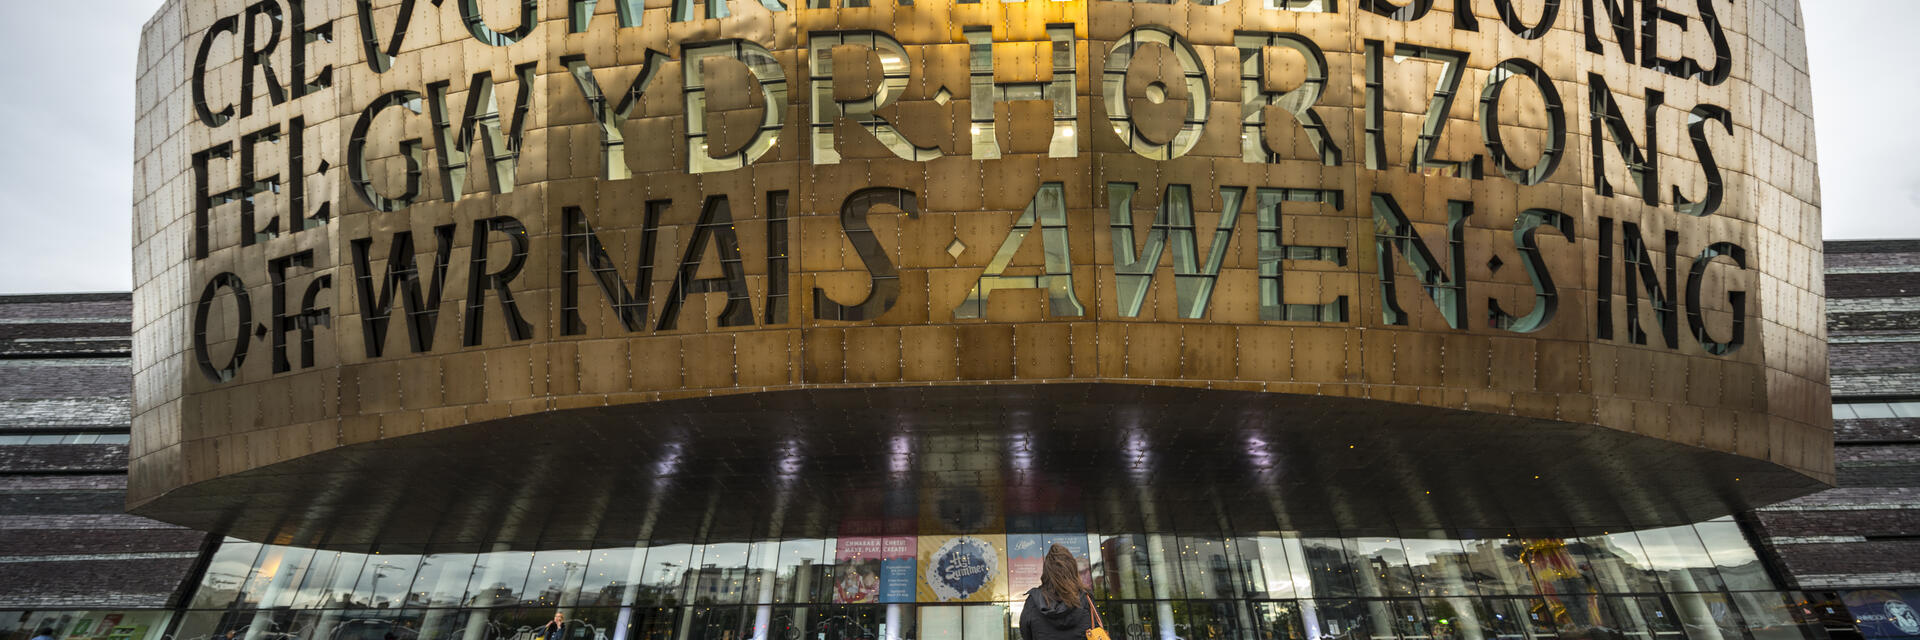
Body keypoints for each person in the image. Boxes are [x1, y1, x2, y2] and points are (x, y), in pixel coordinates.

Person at [1020, 544, 1097, 640]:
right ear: (1072, 569)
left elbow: (1026, 634)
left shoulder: (1033, 601)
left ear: (1046, 571)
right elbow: (1097, 631)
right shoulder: (1086, 598)